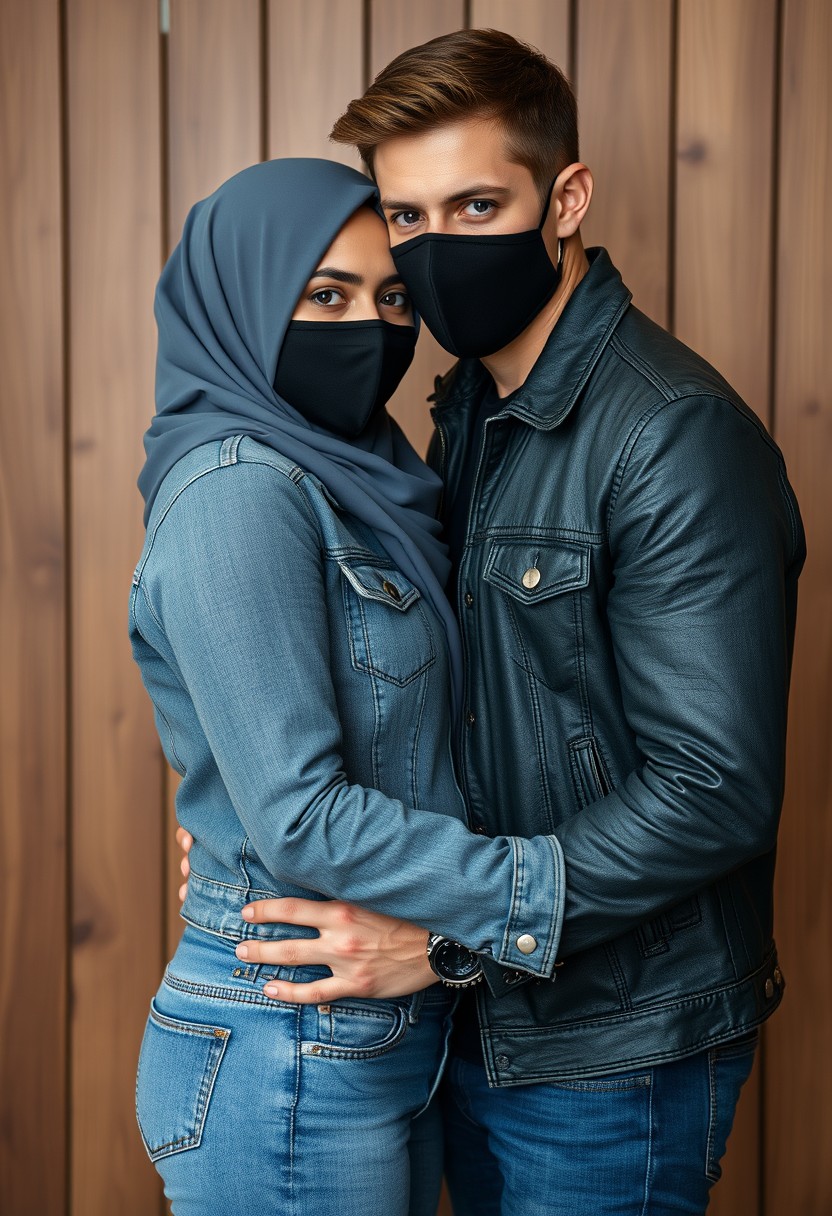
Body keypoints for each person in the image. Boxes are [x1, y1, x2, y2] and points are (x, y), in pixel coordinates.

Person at [179, 29, 805, 1216]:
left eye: (475, 204)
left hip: (609, 1046)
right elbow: (461, 705)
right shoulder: (462, 411)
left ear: (564, 198)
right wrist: (241, 835)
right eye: (406, 219)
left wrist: (455, 940)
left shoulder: (669, 434)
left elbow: (713, 785)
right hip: (475, 1022)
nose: (434, 251)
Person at [131, 156, 567, 1216]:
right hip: (288, 1033)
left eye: (392, 298)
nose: (367, 328)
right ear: (240, 301)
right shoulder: (241, 488)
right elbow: (301, 818)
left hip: (370, 1025)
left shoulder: (363, 479)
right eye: (325, 295)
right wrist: (543, 888)